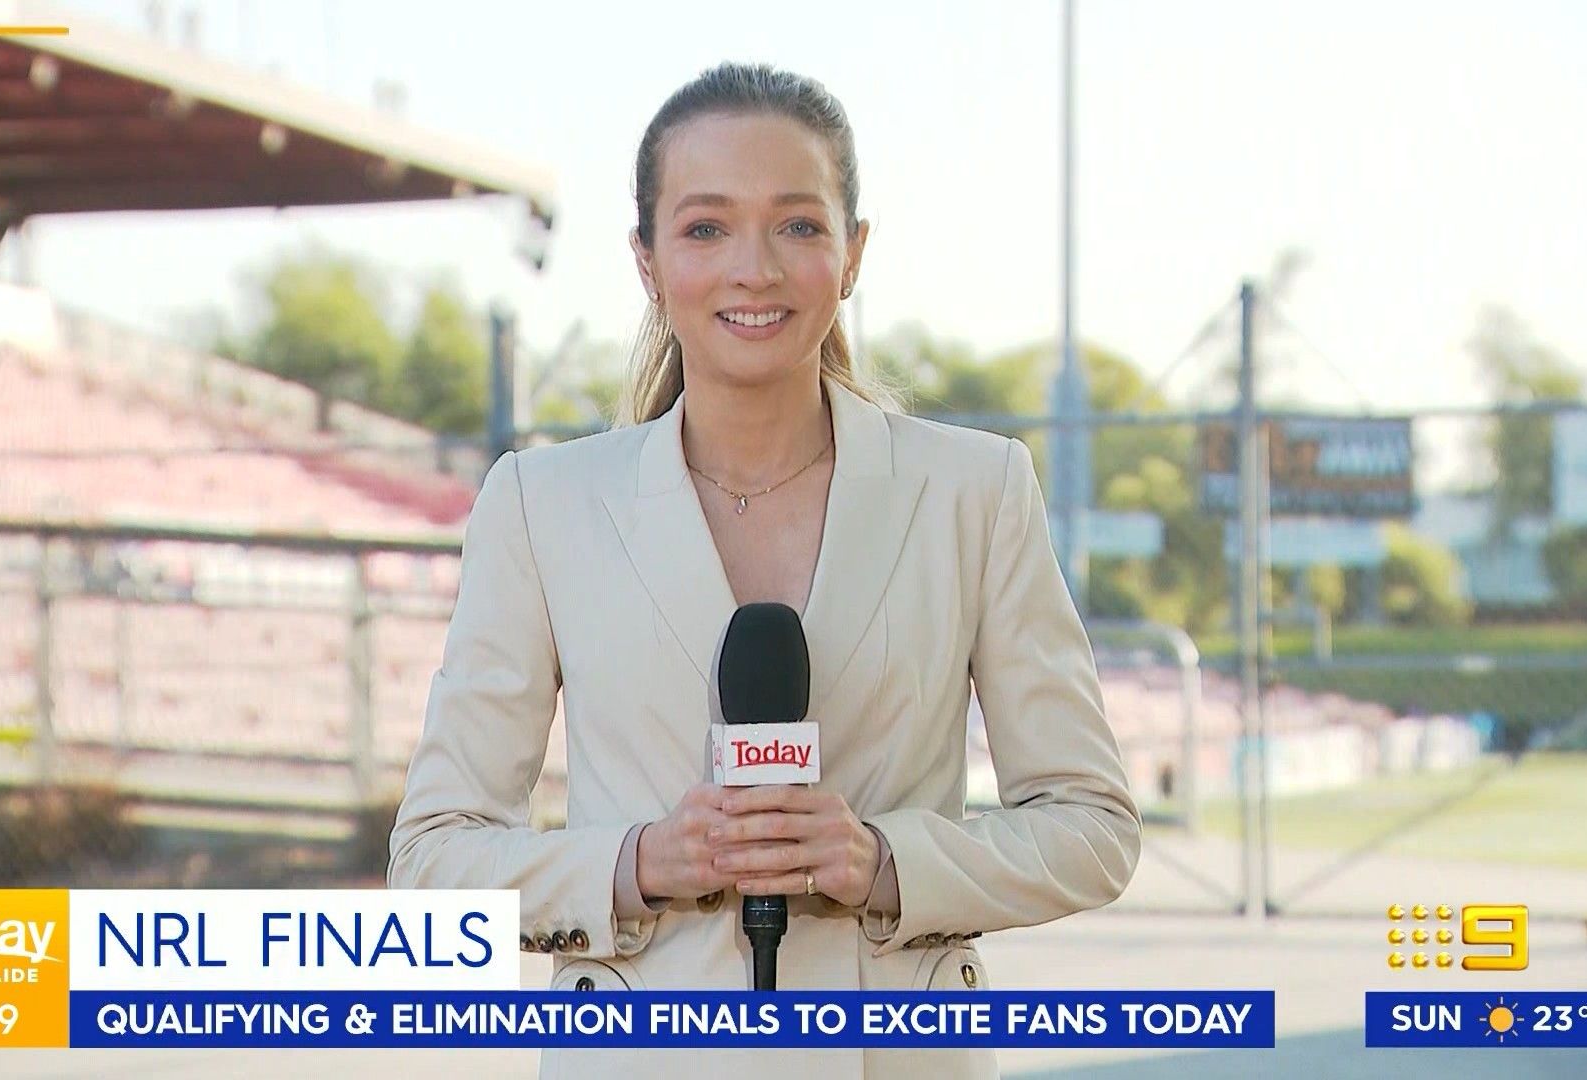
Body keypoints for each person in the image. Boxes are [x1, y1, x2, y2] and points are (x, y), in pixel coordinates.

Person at [389, 61, 1141, 1080]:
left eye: (797, 224)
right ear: (648, 262)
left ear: (853, 252)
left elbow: (1092, 828)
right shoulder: (542, 504)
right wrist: (637, 864)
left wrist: (885, 862)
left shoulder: (975, 490)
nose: (755, 269)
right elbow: (432, 861)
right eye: (706, 228)